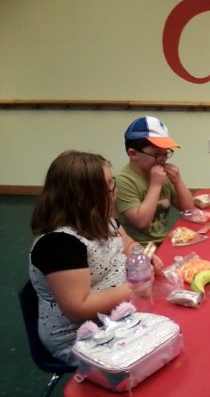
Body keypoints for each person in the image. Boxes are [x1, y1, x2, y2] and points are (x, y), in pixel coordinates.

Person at [29, 150, 160, 366]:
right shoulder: (60, 245)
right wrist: (134, 289)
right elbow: (78, 309)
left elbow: (128, 245)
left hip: (117, 314)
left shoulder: (102, 220)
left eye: (113, 183)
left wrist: (142, 257)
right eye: (110, 187)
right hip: (83, 336)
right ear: (85, 197)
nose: (115, 192)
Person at [115, 116, 194, 246]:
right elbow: (141, 222)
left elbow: (189, 210)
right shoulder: (124, 180)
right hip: (138, 248)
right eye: (157, 155)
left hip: (163, 241)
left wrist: (178, 181)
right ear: (133, 154)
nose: (163, 160)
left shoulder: (160, 174)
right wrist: (155, 185)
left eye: (166, 153)